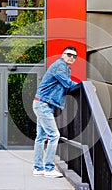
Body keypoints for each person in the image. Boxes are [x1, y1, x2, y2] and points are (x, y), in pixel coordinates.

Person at [32, 46, 78, 178]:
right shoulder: (60, 65)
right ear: (63, 54)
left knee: (40, 137)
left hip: (42, 104)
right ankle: (49, 168)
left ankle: (38, 168)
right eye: (69, 54)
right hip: (43, 105)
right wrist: (86, 85)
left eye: (74, 56)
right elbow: (68, 84)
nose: (71, 57)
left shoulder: (65, 67)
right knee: (54, 135)